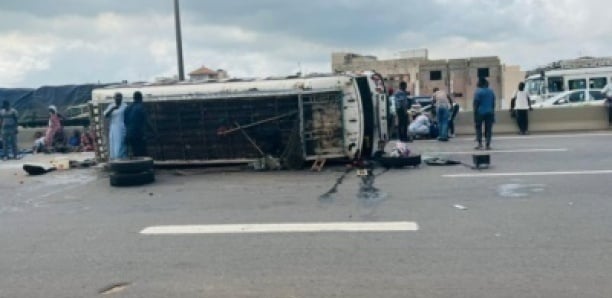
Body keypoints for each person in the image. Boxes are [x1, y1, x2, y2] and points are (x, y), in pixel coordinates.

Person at [124, 91, 152, 157]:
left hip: (129, 135)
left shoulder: (127, 108)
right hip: (138, 135)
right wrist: (155, 133)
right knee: (143, 155)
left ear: (133, 98)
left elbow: (125, 122)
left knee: (134, 154)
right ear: (141, 98)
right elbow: (147, 122)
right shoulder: (141, 107)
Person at [473, 78, 496, 150]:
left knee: (478, 128)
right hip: (490, 112)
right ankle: (487, 144)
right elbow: (493, 103)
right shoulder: (491, 91)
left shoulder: (478, 92)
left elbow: (476, 103)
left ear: (480, 84)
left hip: (480, 112)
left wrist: (475, 113)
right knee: (488, 129)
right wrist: (492, 111)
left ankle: (479, 144)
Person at [104, 92, 128, 159]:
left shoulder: (125, 106)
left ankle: (121, 158)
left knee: (120, 143)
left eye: (119, 97)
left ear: (121, 98)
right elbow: (105, 115)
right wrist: (112, 109)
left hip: (121, 127)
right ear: (114, 98)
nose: (118, 99)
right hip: (113, 127)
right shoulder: (111, 106)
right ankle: (114, 158)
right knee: (113, 144)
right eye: (116, 97)